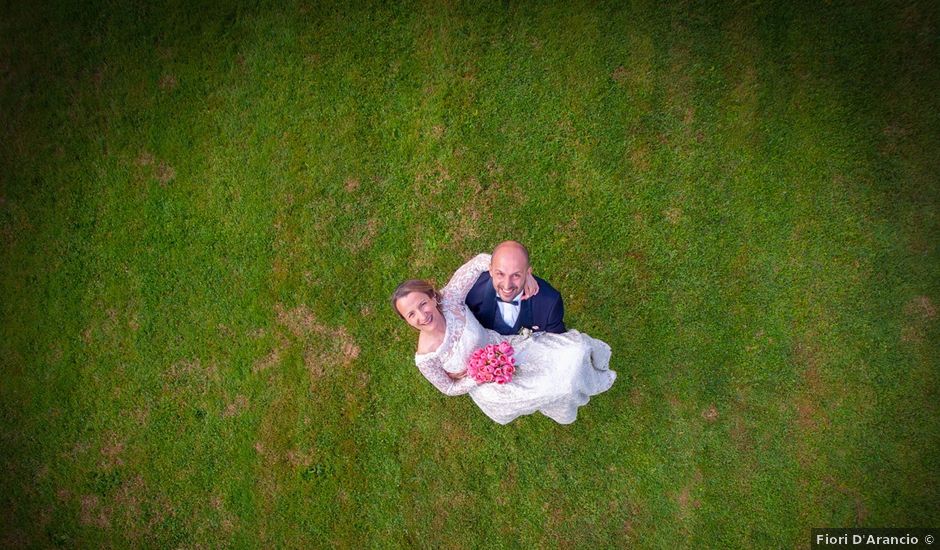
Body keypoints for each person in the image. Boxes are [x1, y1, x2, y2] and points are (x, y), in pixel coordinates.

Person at [391, 252, 616, 425]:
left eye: (422, 304)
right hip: (493, 386)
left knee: (574, 350)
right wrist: (478, 375)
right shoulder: (426, 357)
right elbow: (448, 388)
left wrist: (524, 275)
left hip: (505, 348)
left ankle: (594, 369)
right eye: (411, 314)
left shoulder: (450, 299)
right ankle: (567, 398)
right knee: (560, 387)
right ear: (406, 321)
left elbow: (481, 260)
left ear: (432, 297)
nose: (422, 315)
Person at [465, 241, 565, 335]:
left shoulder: (549, 302)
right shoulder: (472, 291)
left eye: (516, 275)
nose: (507, 285)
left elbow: (556, 346)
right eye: (500, 274)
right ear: (490, 270)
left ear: (528, 273)